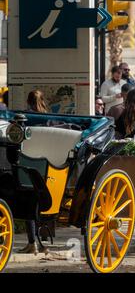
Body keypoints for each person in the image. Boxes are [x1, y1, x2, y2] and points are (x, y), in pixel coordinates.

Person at [19, 90, 49, 254]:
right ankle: (37, 242)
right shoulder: (48, 118)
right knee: (35, 205)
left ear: (28, 101)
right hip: (44, 162)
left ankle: (33, 243)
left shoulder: (25, 117)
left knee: (28, 205)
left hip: (27, 160)